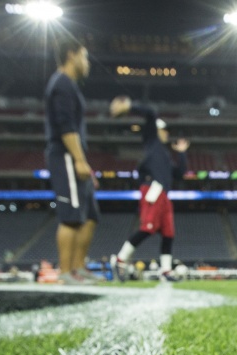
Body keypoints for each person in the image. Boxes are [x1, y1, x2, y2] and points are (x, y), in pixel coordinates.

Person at [108, 96, 189, 282]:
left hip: (164, 195)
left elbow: (180, 173)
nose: (167, 133)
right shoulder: (152, 142)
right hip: (153, 189)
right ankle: (120, 260)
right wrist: (129, 106)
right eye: (164, 130)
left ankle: (166, 271)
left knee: (168, 234)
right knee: (147, 228)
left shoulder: (165, 155)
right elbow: (151, 113)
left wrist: (182, 153)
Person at [44, 37, 98, 285]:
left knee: (89, 216)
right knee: (71, 216)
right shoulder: (62, 84)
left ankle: (78, 268)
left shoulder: (70, 86)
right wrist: (77, 159)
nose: (87, 62)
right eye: (84, 56)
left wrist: (84, 161)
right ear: (71, 54)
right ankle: (66, 272)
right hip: (65, 155)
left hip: (75, 155)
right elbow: (65, 126)